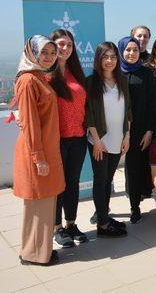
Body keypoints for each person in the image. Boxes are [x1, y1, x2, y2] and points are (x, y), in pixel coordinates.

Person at [12, 35, 65, 265]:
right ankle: (34, 255)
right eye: (44, 52)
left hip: (46, 150)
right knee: (37, 204)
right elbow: (31, 123)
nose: (49, 57)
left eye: (52, 53)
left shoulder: (39, 77)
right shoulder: (28, 81)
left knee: (45, 203)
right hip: (37, 153)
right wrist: (38, 157)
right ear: (32, 53)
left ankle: (39, 250)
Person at [47, 29, 88, 247]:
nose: (65, 48)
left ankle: (71, 223)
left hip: (78, 138)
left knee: (73, 183)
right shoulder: (46, 75)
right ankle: (56, 228)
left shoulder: (76, 73)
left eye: (69, 45)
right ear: (52, 46)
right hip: (57, 140)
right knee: (58, 185)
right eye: (61, 44)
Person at [86, 42, 131, 237]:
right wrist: (96, 140)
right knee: (100, 180)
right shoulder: (91, 82)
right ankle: (103, 225)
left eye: (113, 57)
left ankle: (104, 217)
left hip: (118, 138)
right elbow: (89, 114)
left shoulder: (122, 80)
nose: (109, 61)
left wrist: (127, 136)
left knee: (108, 180)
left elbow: (128, 110)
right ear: (98, 59)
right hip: (100, 140)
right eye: (105, 57)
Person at [118, 37, 156, 224]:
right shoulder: (115, 73)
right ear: (121, 51)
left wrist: (149, 130)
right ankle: (102, 211)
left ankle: (135, 207)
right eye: (127, 50)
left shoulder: (147, 73)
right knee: (107, 172)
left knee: (135, 168)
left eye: (134, 50)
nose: (131, 53)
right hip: (116, 130)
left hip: (140, 129)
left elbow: (152, 103)